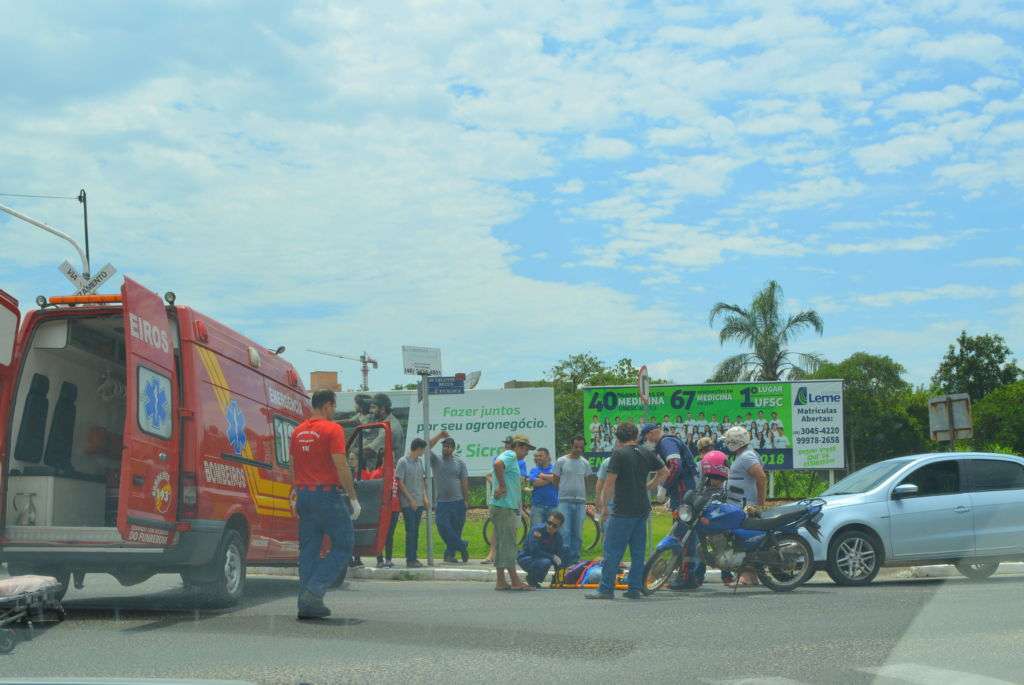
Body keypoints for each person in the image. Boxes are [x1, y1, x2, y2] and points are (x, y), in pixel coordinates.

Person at [290, 389, 360, 619]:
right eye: (334, 407)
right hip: (326, 496)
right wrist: (353, 498)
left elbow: (294, 464)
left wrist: (294, 491)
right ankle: (315, 589)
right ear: (328, 405)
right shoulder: (333, 429)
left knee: (309, 550)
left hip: (304, 496)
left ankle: (306, 603)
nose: (334, 411)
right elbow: (341, 465)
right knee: (345, 543)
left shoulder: (298, 432)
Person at [587, 422, 668, 600]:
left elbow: (609, 483)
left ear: (618, 437)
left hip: (622, 508)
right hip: (642, 508)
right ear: (636, 435)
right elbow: (664, 472)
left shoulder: (619, 454)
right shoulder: (646, 452)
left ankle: (606, 588)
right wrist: (649, 486)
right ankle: (634, 588)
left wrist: (605, 506)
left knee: (613, 550)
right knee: (638, 552)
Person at [723, 425, 767, 587]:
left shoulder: (747, 456)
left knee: (743, 538)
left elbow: (761, 478)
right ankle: (751, 576)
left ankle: (746, 577)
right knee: (743, 537)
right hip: (740, 504)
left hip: (746, 506)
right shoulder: (744, 455)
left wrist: (760, 505)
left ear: (734, 442)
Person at [490, 433, 533, 590]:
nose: (527, 452)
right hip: (504, 507)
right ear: (519, 446)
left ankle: (500, 580)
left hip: (506, 506)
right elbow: (497, 465)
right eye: (526, 449)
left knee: (502, 544)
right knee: (508, 544)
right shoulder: (510, 455)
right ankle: (515, 581)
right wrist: (502, 486)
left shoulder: (512, 459)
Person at [396, 432, 445, 568]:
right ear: (417, 448)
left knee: (416, 531)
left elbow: (422, 481)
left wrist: (425, 498)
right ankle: (410, 559)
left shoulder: (419, 462)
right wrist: (410, 500)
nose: (424, 452)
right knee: (410, 531)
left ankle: (414, 557)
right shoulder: (403, 462)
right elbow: (400, 483)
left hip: (419, 501)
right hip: (408, 503)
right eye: (423, 449)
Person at [430, 435, 470, 563]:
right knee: (443, 527)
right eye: (444, 446)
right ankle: (462, 546)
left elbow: (464, 482)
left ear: (453, 449)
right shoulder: (435, 460)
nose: (445, 449)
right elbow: (426, 448)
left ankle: (449, 555)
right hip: (442, 502)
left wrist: (465, 500)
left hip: (458, 501)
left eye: (448, 447)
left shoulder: (460, 463)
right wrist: (440, 435)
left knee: (456, 529)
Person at [553, 435, 591, 564]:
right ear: (571, 446)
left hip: (580, 502)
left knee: (578, 534)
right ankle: (565, 561)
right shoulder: (561, 461)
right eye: (576, 447)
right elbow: (555, 480)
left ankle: (575, 561)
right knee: (565, 532)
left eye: (581, 447)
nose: (578, 449)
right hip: (564, 501)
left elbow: (586, 481)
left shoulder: (585, 463)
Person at [518, 510, 567, 588]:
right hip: (526, 557)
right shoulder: (537, 530)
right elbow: (534, 551)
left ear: (559, 527)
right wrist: (552, 557)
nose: (550, 526)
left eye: (554, 525)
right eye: (549, 523)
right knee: (546, 562)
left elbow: (559, 556)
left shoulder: (558, 537)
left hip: (542, 558)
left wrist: (558, 575)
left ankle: (550, 579)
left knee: (564, 552)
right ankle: (532, 578)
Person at [367, 393, 404, 467]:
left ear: (383, 409)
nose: (370, 411)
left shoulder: (389, 427)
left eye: (373, 407)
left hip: (389, 471)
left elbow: (369, 451)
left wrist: (349, 454)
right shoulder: (383, 422)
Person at [527, 447, 559, 530]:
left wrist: (541, 475)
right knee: (536, 532)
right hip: (538, 506)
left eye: (540, 456)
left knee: (552, 533)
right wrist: (551, 478)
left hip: (553, 506)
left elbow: (558, 479)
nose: (538, 458)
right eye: (537, 456)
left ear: (548, 457)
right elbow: (535, 483)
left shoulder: (555, 468)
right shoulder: (534, 470)